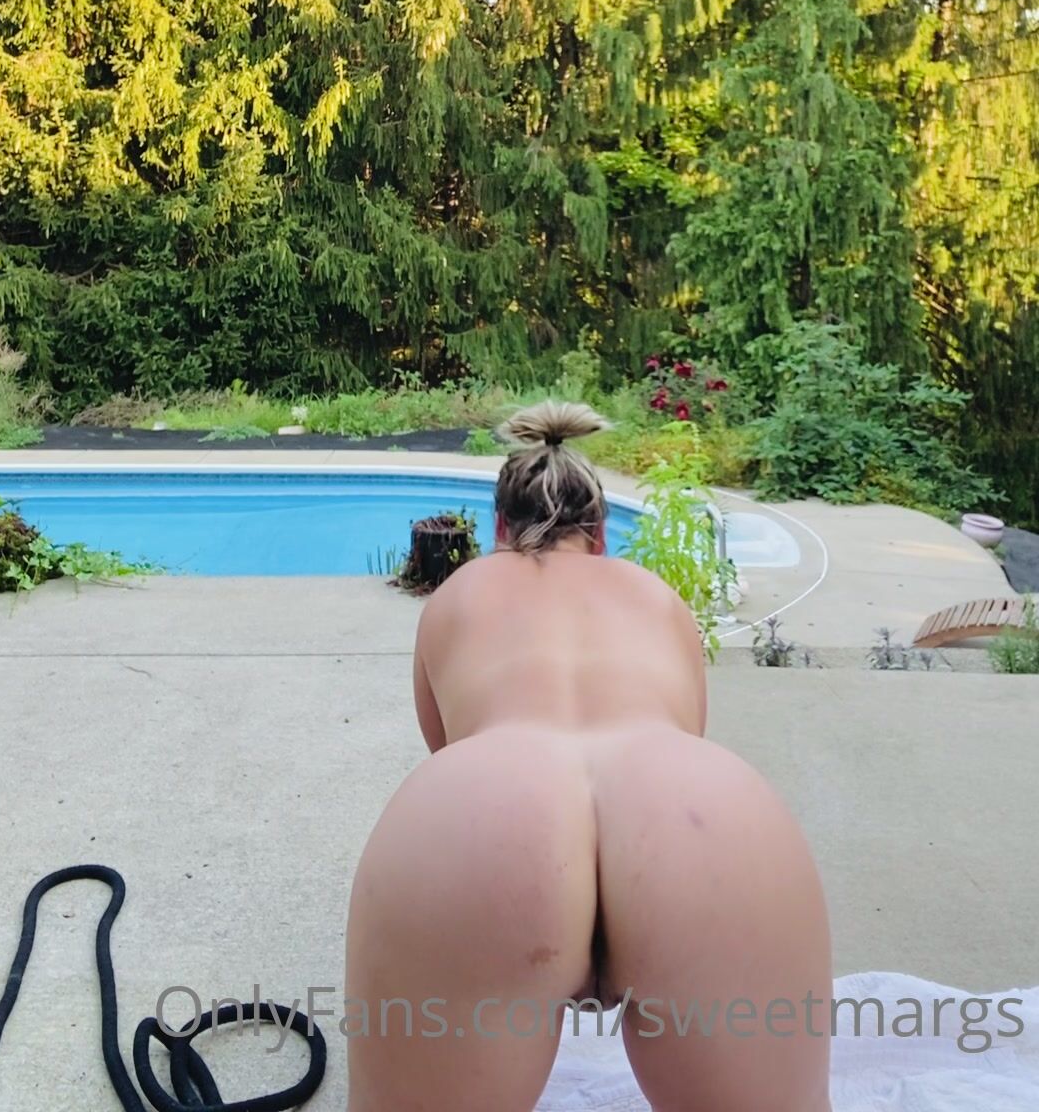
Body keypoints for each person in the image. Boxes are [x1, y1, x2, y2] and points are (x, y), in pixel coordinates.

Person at [345, 401, 832, 1112]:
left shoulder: (456, 594)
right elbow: (687, 729)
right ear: (600, 534)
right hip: (690, 805)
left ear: (500, 529)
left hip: (489, 801)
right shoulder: (657, 596)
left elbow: (444, 742)